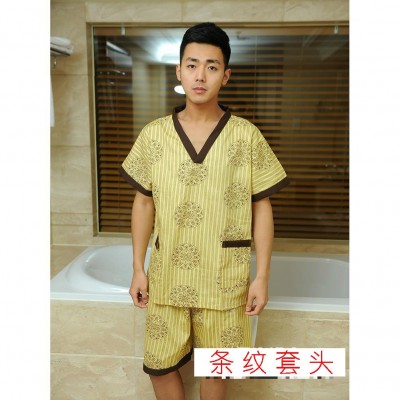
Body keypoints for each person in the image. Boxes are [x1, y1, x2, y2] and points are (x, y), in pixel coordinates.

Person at [119, 22, 289, 400]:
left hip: (224, 279)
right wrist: (138, 268)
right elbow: (143, 202)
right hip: (167, 276)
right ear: (178, 71)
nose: (200, 76)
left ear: (225, 76)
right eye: (192, 65)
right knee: (160, 365)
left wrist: (261, 276)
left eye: (211, 67)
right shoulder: (154, 135)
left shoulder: (245, 136)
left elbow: (262, 207)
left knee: (217, 369)